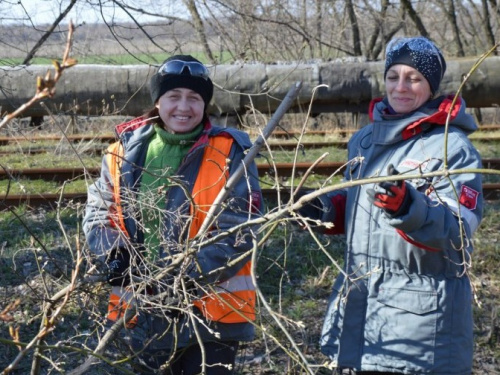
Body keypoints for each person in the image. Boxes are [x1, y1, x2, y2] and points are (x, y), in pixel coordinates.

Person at [297, 37, 483, 374]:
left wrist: (407, 208)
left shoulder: (452, 148)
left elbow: (458, 230)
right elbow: (359, 211)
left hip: (422, 324)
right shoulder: (365, 140)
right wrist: (322, 210)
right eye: (393, 76)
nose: (401, 87)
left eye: (413, 78)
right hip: (361, 309)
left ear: (432, 85)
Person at [83, 55, 262, 374]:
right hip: (141, 310)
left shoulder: (230, 151)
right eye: (173, 96)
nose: (184, 106)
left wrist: (182, 278)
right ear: (158, 101)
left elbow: (240, 231)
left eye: (194, 98)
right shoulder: (120, 153)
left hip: (211, 315)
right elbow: (99, 219)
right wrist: (117, 263)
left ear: (205, 105)